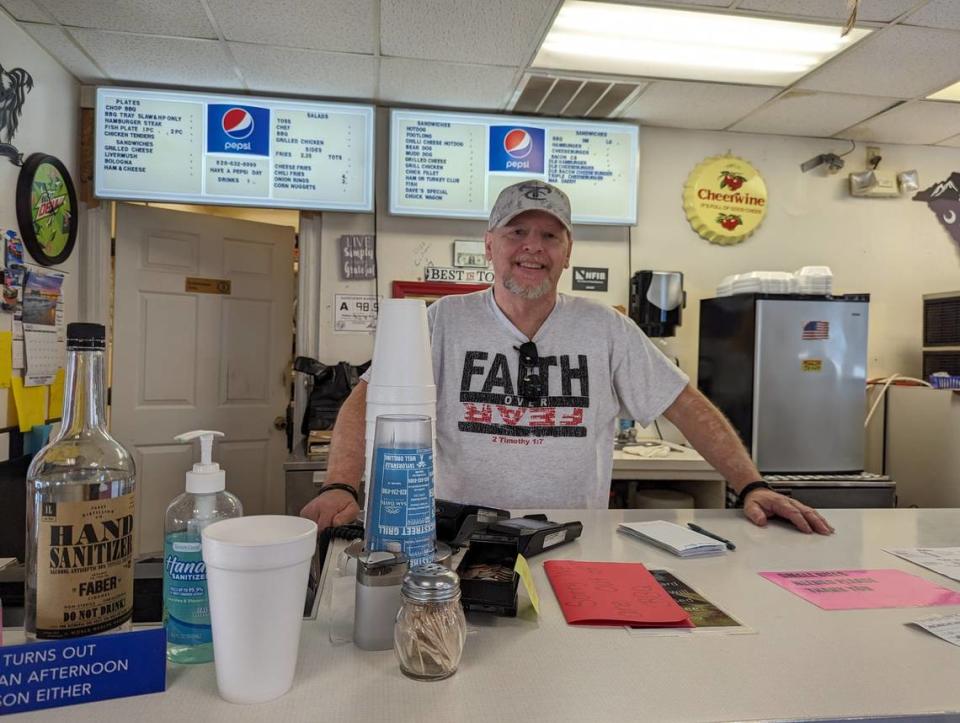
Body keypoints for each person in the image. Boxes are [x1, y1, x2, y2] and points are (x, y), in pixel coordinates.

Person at [301, 180, 833, 536]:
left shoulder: (606, 328)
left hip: (571, 536)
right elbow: (363, 404)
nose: (533, 246)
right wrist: (340, 485)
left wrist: (753, 484)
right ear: (489, 245)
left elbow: (685, 405)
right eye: (517, 232)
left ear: (567, 250)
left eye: (549, 235)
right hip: (457, 533)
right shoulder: (441, 321)